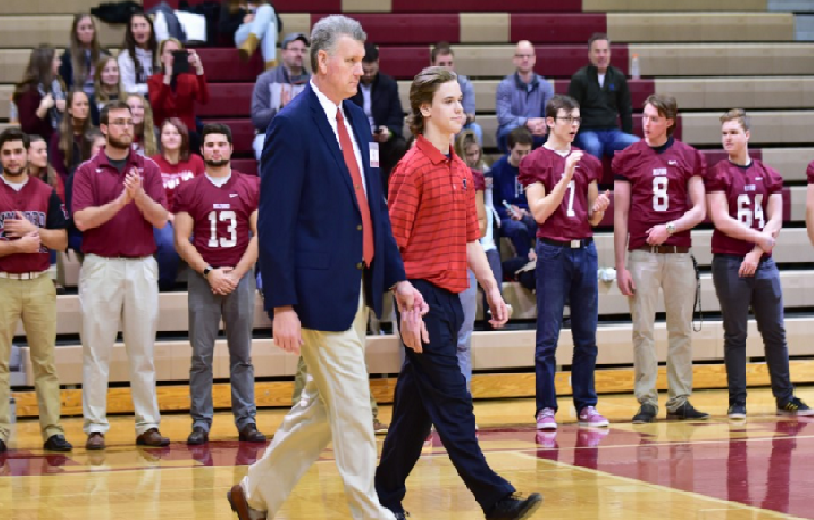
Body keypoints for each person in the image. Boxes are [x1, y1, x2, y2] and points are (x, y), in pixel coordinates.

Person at [227, 15, 427, 520]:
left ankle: (254, 496)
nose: (362, 71)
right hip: (314, 295)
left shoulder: (359, 119)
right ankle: (371, 512)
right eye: (353, 61)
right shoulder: (290, 126)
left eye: (362, 61)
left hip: (358, 287)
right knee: (356, 406)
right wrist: (283, 304)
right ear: (323, 61)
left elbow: (374, 208)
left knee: (320, 406)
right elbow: (274, 224)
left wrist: (397, 277)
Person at [376, 66, 542, 520]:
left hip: (454, 298)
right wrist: (405, 302)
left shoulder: (466, 173)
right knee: (453, 402)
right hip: (422, 300)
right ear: (425, 109)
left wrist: (492, 290)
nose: (459, 108)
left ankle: (383, 497)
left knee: (414, 413)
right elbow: (393, 245)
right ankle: (496, 500)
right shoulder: (410, 169)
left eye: (460, 101)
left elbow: (473, 240)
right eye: (448, 101)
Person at [71, 101, 170, 450]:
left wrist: (138, 195)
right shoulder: (87, 170)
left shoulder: (148, 168)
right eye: (118, 122)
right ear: (104, 129)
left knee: (142, 351)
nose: (126, 127)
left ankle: (147, 424)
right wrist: (122, 202)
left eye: (129, 122)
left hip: (142, 264)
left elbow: (161, 219)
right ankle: (95, 426)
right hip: (100, 265)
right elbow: (82, 220)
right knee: (96, 351)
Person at [708, 109, 813, 418]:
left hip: (762, 263)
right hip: (729, 261)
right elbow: (721, 219)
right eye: (724, 133)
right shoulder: (718, 173)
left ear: (747, 136)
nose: (727, 138)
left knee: (775, 332)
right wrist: (759, 240)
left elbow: (776, 217)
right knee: (735, 333)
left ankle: (785, 398)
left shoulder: (768, 174)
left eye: (733, 132)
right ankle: (737, 402)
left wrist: (756, 251)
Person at [613, 94, 709, 423]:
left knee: (680, 329)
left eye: (654, 118)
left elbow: (700, 210)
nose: (646, 123)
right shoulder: (627, 157)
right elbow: (621, 215)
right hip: (641, 256)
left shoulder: (689, 156)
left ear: (669, 121)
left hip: (679, 254)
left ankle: (680, 399)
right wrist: (621, 265)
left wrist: (669, 228)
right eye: (644, 116)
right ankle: (647, 400)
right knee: (642, 329)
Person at [519, 94, 610, 430]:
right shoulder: (536, 161)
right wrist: (565, 176)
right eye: (567, 118)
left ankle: (586, 404)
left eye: (577, 119)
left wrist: (599, 207)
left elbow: (593, 216)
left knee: (587, 335)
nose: (574, 125)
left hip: (584, 249)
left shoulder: (587, 160)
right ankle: (546, 408)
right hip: (553, 251)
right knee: (549, 336)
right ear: (550, 122)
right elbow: (540, 212)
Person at [173, 123, 267, 444]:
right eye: (209, 144)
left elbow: (260, 235)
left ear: (230, 149)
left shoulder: (251, 185)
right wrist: (210, 273)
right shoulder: (189, 190)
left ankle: (246, 420)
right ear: (202, 150)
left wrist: (237, 273)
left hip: (239, 277)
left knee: (242, 354)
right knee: (201, 356)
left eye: (220, 144)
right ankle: (201, 422)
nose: (215, 149)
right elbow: (181, 240)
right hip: (204, 279)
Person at [0, 128, 72, 454]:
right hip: (3, 283)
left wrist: (34, 232)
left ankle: (53, 431)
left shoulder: (46, 192)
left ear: (27, 155)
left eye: (18, 151)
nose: (13, 158)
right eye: (7, 153)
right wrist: (17, 248)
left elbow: (62, 240)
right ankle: (1, 432)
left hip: (40, 282)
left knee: (45, 362)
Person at [151, 118, 205, 290]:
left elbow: (204, 192)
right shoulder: (152, 163)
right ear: (161, 138)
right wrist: (169, 216)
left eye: (176, 133)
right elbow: (149, 196)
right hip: (162, 216)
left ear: (183, 137)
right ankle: (165, 286)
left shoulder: (196, 161)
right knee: (169, 244)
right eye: (167, 133)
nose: (171, 137)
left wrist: (186, 217)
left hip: (191, 216)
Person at [567, 33, 638, 159]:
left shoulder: (618, 77)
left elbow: (625, 110)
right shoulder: (579, 78)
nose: (602, 55)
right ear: (589, 55)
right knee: (593, 146)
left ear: (610, 54)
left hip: (612, 132)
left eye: (605, 51)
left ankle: (622, 179)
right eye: (597, 51)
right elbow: (571, 111)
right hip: (587, 131)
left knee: (636, 144)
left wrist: (627, 134)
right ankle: (593, 179)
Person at [350, 41, 406, 193]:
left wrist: (389, 131)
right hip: (357, 139)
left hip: (382, 139)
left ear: (378, 63)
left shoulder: (389, 85)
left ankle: (396, 191)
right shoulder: (349, 85)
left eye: (371, 72)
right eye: (365, 71)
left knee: (400, 146)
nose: (367, 75)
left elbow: (397, 116)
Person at [251, 32, 310, 162]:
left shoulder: (313, 83)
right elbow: (257, 118)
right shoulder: (265, 80)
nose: (299, 54)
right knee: (266, 148)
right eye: (294, 49)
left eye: (303, 50)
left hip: (304, 135)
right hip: (271, 133)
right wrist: (280, 109)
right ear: (283, 53)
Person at [148, 38, 210, 153]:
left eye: (176, 53)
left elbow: (204, 100)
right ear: (161, 57)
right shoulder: (154, 80)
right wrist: (167, 77)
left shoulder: (189, 79)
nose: (173, 57)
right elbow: (156, 106)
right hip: (163, 132)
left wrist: (199, 69)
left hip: (188, 133)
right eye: (169, 53)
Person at [495, 40, 552, 152]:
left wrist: (541, 125)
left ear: (534, 59)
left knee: (551, 130)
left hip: (538, 132)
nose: (525, 59)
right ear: (514, 60)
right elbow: (503, 117)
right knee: (507, 130)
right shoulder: (504, 85)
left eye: (528, 56)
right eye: (521, 56)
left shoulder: (546, 86)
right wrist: (527, 123)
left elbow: (550, 116)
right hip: (514, 130)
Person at [491, 127, 537, 260]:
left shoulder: (535, 168)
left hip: (529, 215)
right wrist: (509, 212)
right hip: (507, 217)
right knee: (518, 228)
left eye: (527, 152)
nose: (523, 157)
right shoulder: (498, 169)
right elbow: (493, 205)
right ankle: (526, 263)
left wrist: (525, 212)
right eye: (519, 152)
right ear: (510, 149)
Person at [13, 46, 65, 144]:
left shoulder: (57, 85)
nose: (60, 63)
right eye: (57, 60)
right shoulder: (28, 91)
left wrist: (66, 108)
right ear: (46, 63)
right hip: (39, 144)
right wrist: (43, 108)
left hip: (58, 140)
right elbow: (27, 128)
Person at [434, 42, 482, 144]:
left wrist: (465, 117)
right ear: (433, 65)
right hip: (434, 126)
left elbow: (471, 116)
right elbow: (416, 116)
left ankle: (471, 159)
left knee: (475, 129)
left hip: (458, 125)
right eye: (442, 64)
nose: (447, 68)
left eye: (450, 64)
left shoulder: (464, 84)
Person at [50, 89, 93, 186]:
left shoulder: (94, 135)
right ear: (69, 109)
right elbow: (58, 172)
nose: (83, 108)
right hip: (69, 186)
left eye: (86, 104)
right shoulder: (58, 137)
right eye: (79, 104)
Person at [59, 13, 109, 96]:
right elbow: (65, 86)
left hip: (100, 99)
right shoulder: (67, 57)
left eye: (90, 27)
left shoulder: (104, 54)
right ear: (76, 32)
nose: (87, 31)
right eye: (82, 28)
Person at [118, 12, 158, 97]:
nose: (139, 30)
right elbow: (125, 88)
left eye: (143, 25)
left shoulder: (159, 53)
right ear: (131, 31)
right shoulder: (125, 57)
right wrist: (151, 87)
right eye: (135, 26)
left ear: (150, 28)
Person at [234, 1, 280, 70]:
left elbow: (279, 27)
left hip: (264, 38)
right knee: (270, 26)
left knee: (268, 14)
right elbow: (223, 27)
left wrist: (261, 20)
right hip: (243, 34)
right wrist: (242, 21)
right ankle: (271, 70)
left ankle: (251, 41)